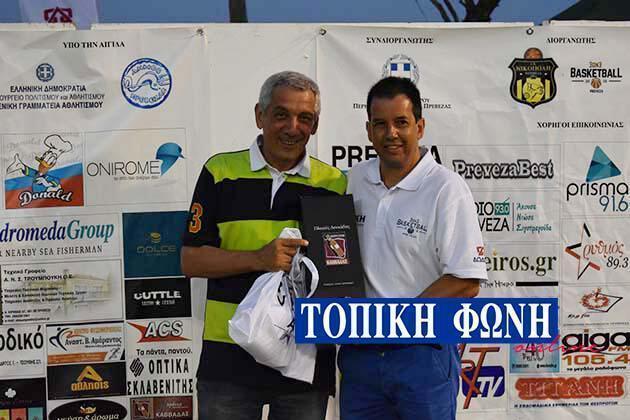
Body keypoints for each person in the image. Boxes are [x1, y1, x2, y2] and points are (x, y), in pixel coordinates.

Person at [181, 71, 346, 420]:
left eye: (305, 118)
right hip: (228, 361)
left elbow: (337, 274)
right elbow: (191, 261)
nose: (293, 127)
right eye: (281, 114)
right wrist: (259, 258)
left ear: (316, 125)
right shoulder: (220, 172)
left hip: (304, 361)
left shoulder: (333, 183)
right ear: (260, 115)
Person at [341, 76, 488, 420]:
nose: (391, 133)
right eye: (380, 124)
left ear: (420, 127)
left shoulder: (446, 189)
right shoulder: (351, 181)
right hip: (360, 355)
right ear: (368, 131)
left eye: (401, 122)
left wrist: (398, 321)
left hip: (423, 353)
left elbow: (467, 281)